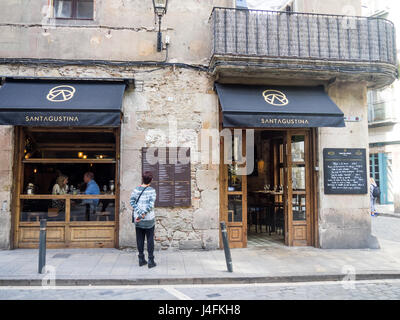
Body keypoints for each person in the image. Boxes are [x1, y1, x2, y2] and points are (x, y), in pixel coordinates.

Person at [130, 171, 157, 268]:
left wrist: (139, 213)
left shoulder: (136, 189)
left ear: (143, 179)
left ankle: (141, 259)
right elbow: (151, 205)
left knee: (139, 238)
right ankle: (150, 260)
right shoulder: (152, 191)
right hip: (149, 218)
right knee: (150, 239)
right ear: (151, 180)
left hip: (138, 218)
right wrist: (144, 214)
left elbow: (132, 202)